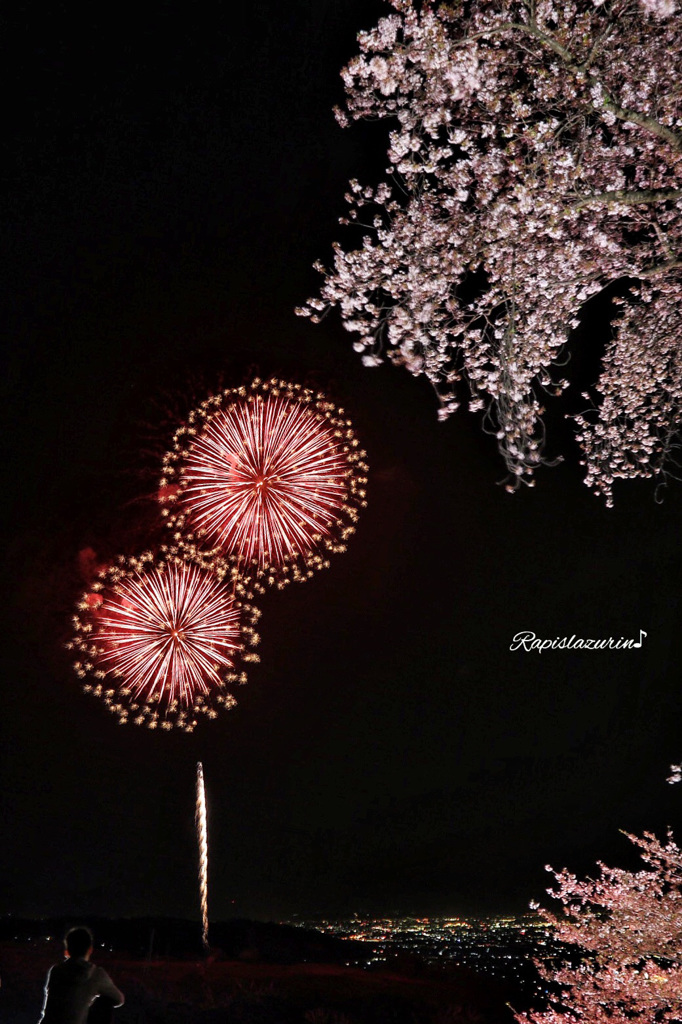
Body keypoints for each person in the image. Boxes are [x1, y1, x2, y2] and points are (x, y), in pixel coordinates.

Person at [38, 927, 124, 1024]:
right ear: (90, 950)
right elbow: (119, 999)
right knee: (105, 1002)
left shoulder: (56, 971)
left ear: (67, 951)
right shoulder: (96, 974)